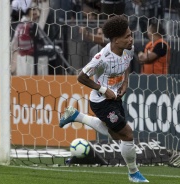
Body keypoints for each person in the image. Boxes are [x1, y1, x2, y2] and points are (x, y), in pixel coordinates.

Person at [59, 15, 149, 183]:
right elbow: (81, 77)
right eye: (127, 36)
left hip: (115, 98)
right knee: (127, 134)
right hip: (101, 102)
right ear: (115, 40)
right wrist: (103, 89)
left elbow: (126, 63)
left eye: (131, 34)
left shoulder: (128, 48)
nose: (131, 39)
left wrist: (126, 82)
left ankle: (76, 116)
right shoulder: (102, 58)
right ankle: (133, 173)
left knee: (117, 136)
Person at [11, 2, 55, 76]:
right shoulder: (22, 25)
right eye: (32, 9)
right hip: (25, 59)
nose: (34, 12)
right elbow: (15, 45)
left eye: (36, 9)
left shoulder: (38, 24)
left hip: (39, 58)